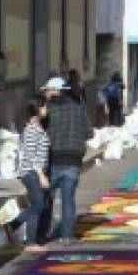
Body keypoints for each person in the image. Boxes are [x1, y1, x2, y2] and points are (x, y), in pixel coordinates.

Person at [41, 76, 93, 244]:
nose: (46, 94)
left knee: (46, 196)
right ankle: (67, 235)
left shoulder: (48, 108)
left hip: (54, 158)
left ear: (55, 91)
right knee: (68, 198)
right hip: (74, 158)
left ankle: (42, 233)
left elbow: (40, 132)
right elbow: (89, 133)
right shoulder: (79, 107)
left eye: (47, 90)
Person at [9, 100, 51, 252]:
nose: (47, 109)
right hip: (31, 172)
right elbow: (31, 155)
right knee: (38, 205)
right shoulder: (32, 130)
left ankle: (13, 225)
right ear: (37, 110)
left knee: (40, 205)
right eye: (44, 107)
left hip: (36, 172)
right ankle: (30, 242)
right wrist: (41, 175)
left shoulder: (38, 128)